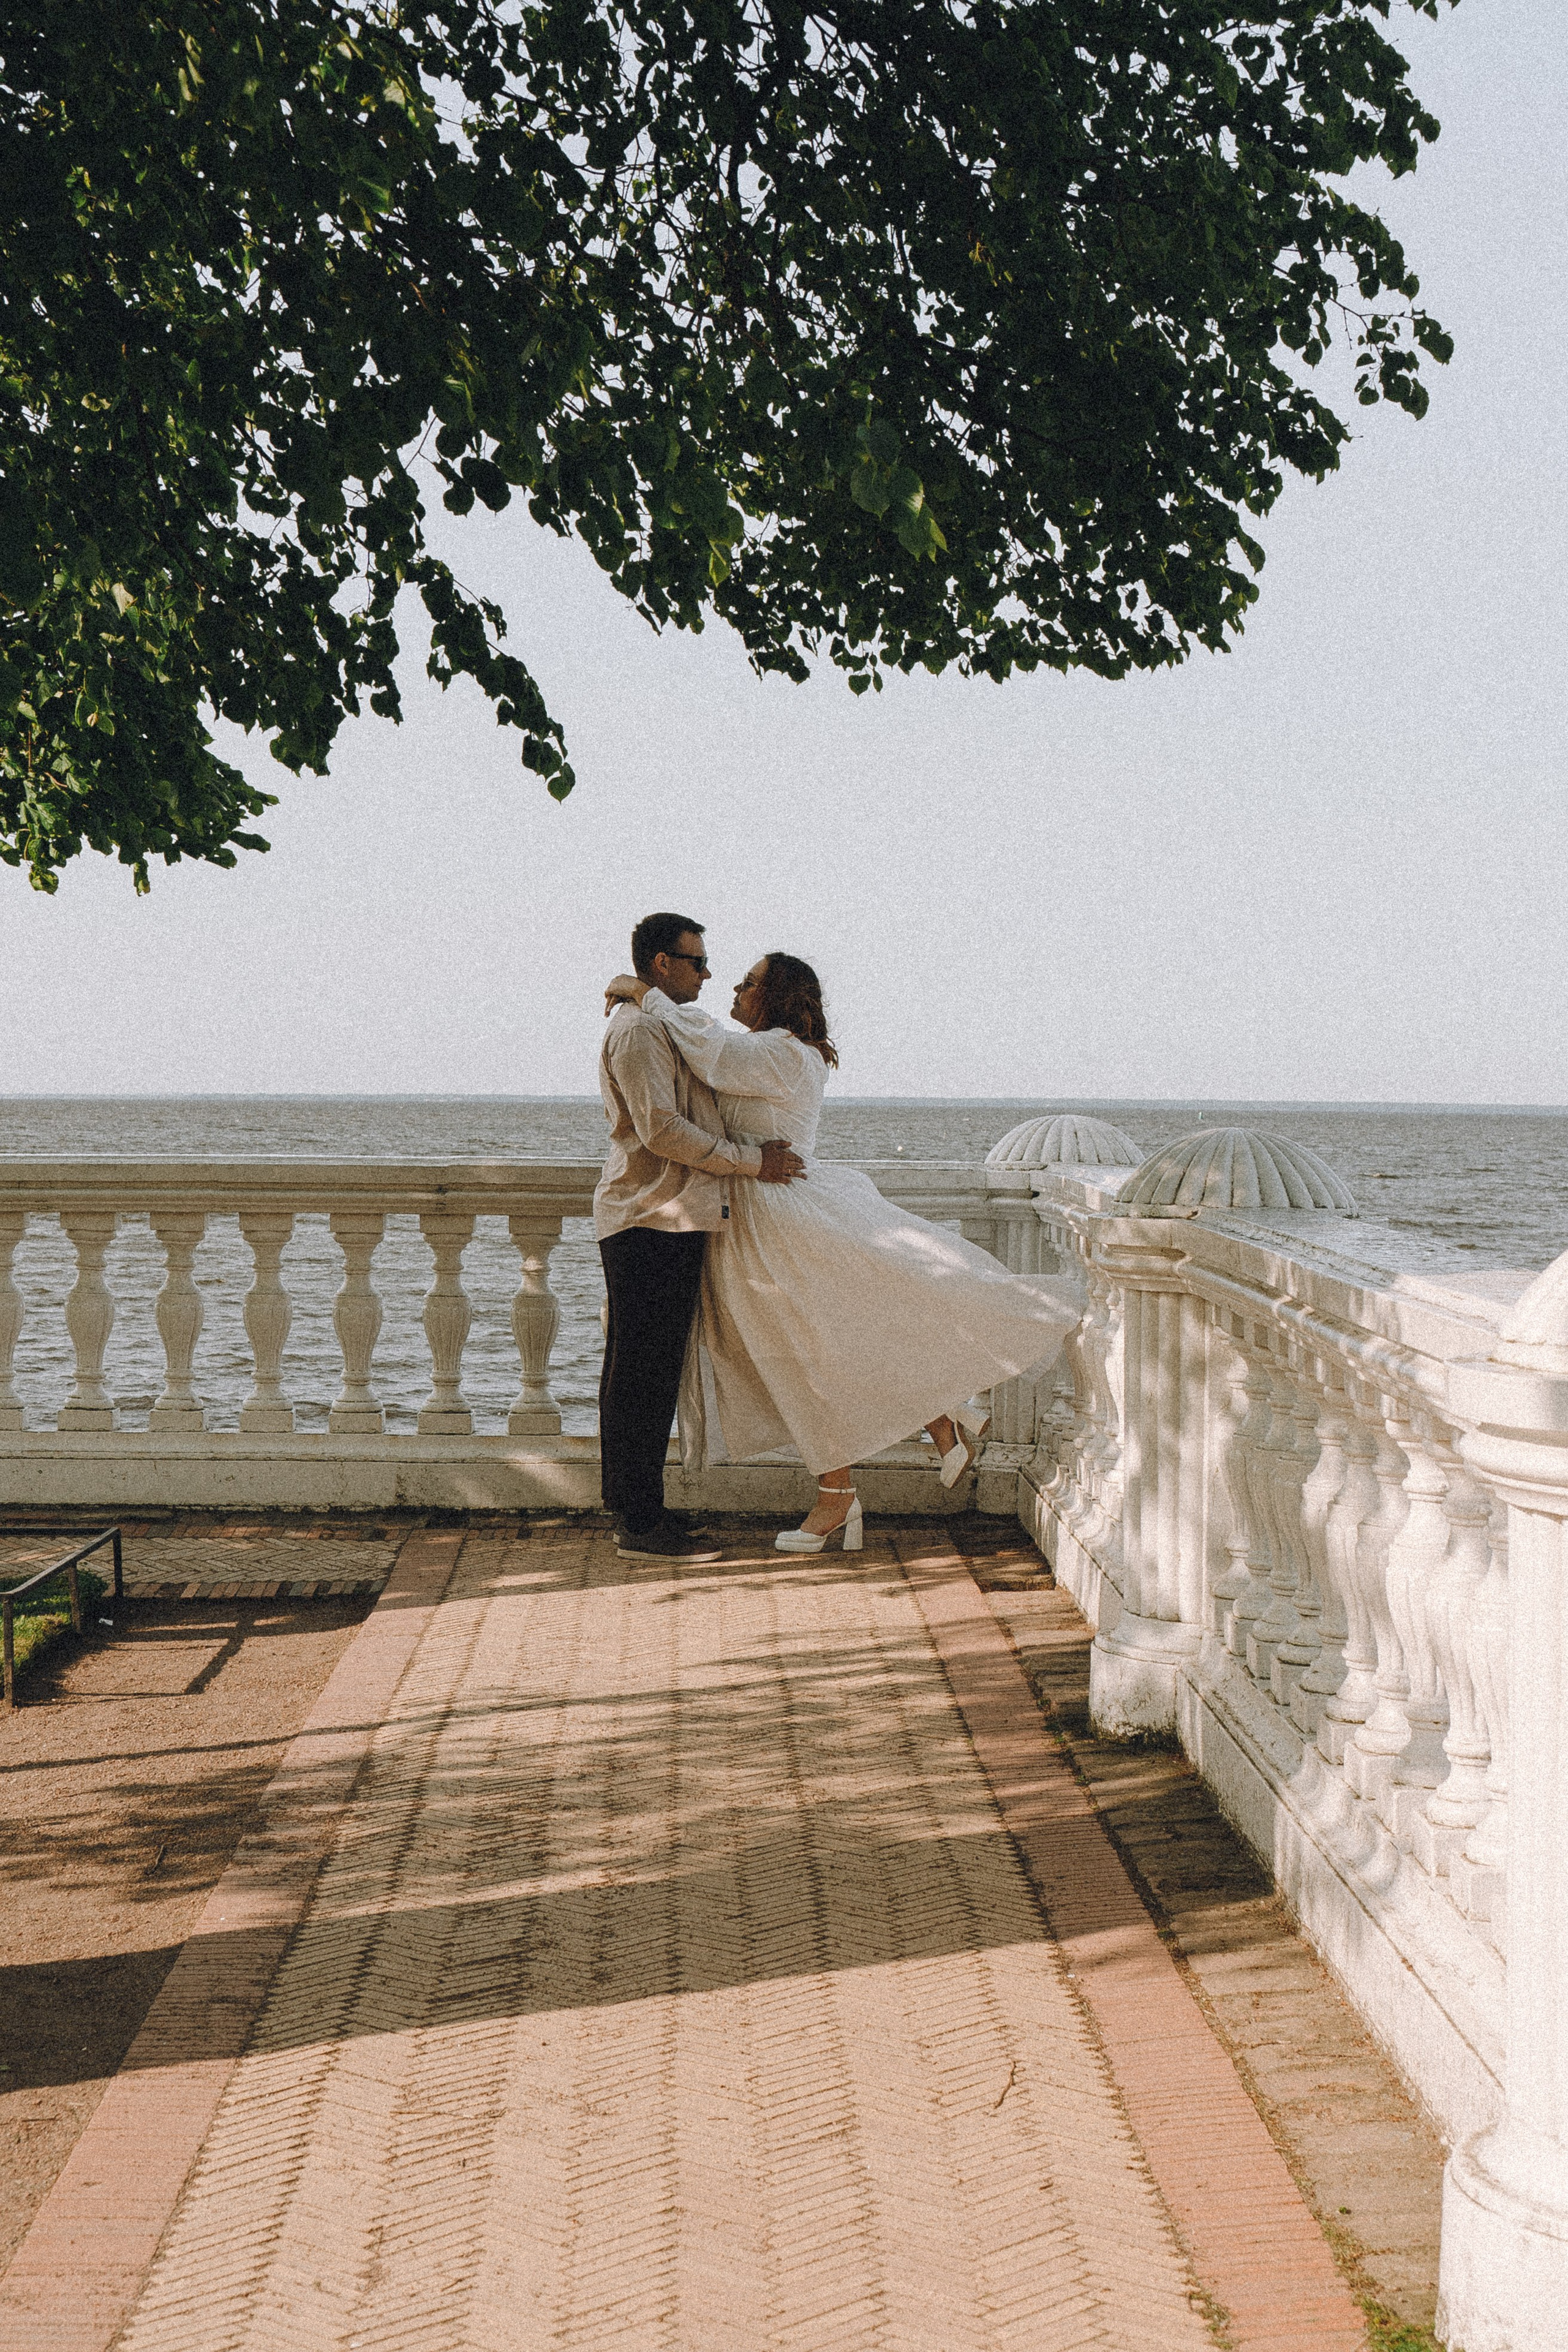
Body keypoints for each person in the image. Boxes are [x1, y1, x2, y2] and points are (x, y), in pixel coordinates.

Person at [603, 951, 1079, 1553]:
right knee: (815, 1351)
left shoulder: (779, 1053)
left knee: (808, 1357)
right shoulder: (773, 1051)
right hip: (755, 1221)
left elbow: (703, 1044)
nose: (734, 986)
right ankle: (930, 1422)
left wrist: (640, 991)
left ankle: (844, 1491)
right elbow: (706, 1051)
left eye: (747, 982)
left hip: (778, 1221)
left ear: (772, 997)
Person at [595, 913, 805, 1562]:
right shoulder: (637, 1032)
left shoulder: (664, 1023)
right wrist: (752, 1163)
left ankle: (645, 1508)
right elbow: (662, 1131)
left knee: (653, 1373)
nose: (709, 973)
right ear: (662, 964)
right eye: (696, 961)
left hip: (676, 1215)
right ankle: (636, 1520)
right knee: (637, 1374)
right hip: (649, 1215)